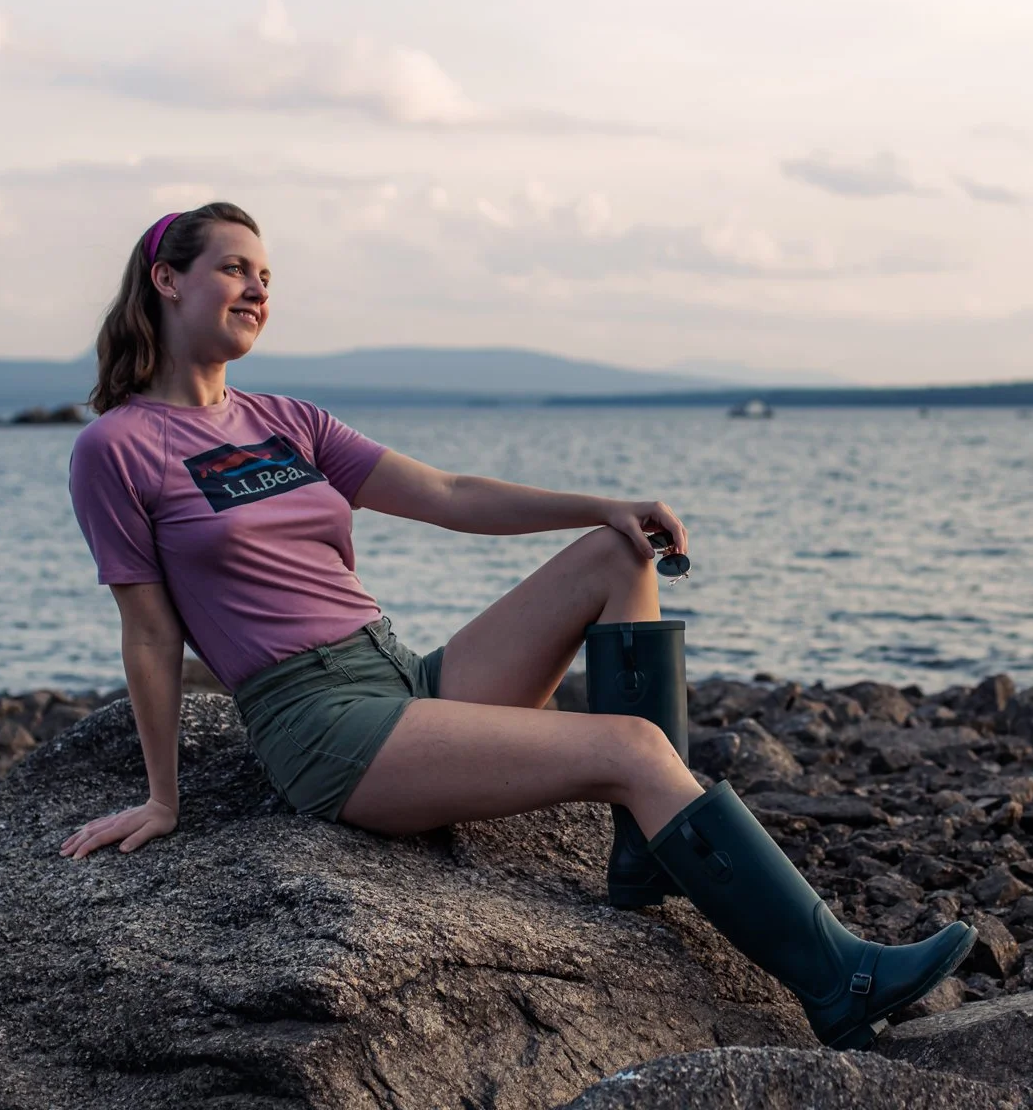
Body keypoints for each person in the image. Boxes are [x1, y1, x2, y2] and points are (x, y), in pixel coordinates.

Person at [61, 202, 976, 1050]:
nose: (259, 289)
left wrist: (599, 504)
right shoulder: (118, 448)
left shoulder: (284, 421)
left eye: (268, 276)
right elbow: (148, 634)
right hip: (321, 726)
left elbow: (449, 495)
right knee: (632, 749)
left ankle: (640, 854)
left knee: (619, 552)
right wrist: (163, 799)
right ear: (168, 280)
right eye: (234, 269)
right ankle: (840, 982)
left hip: (398, 675)